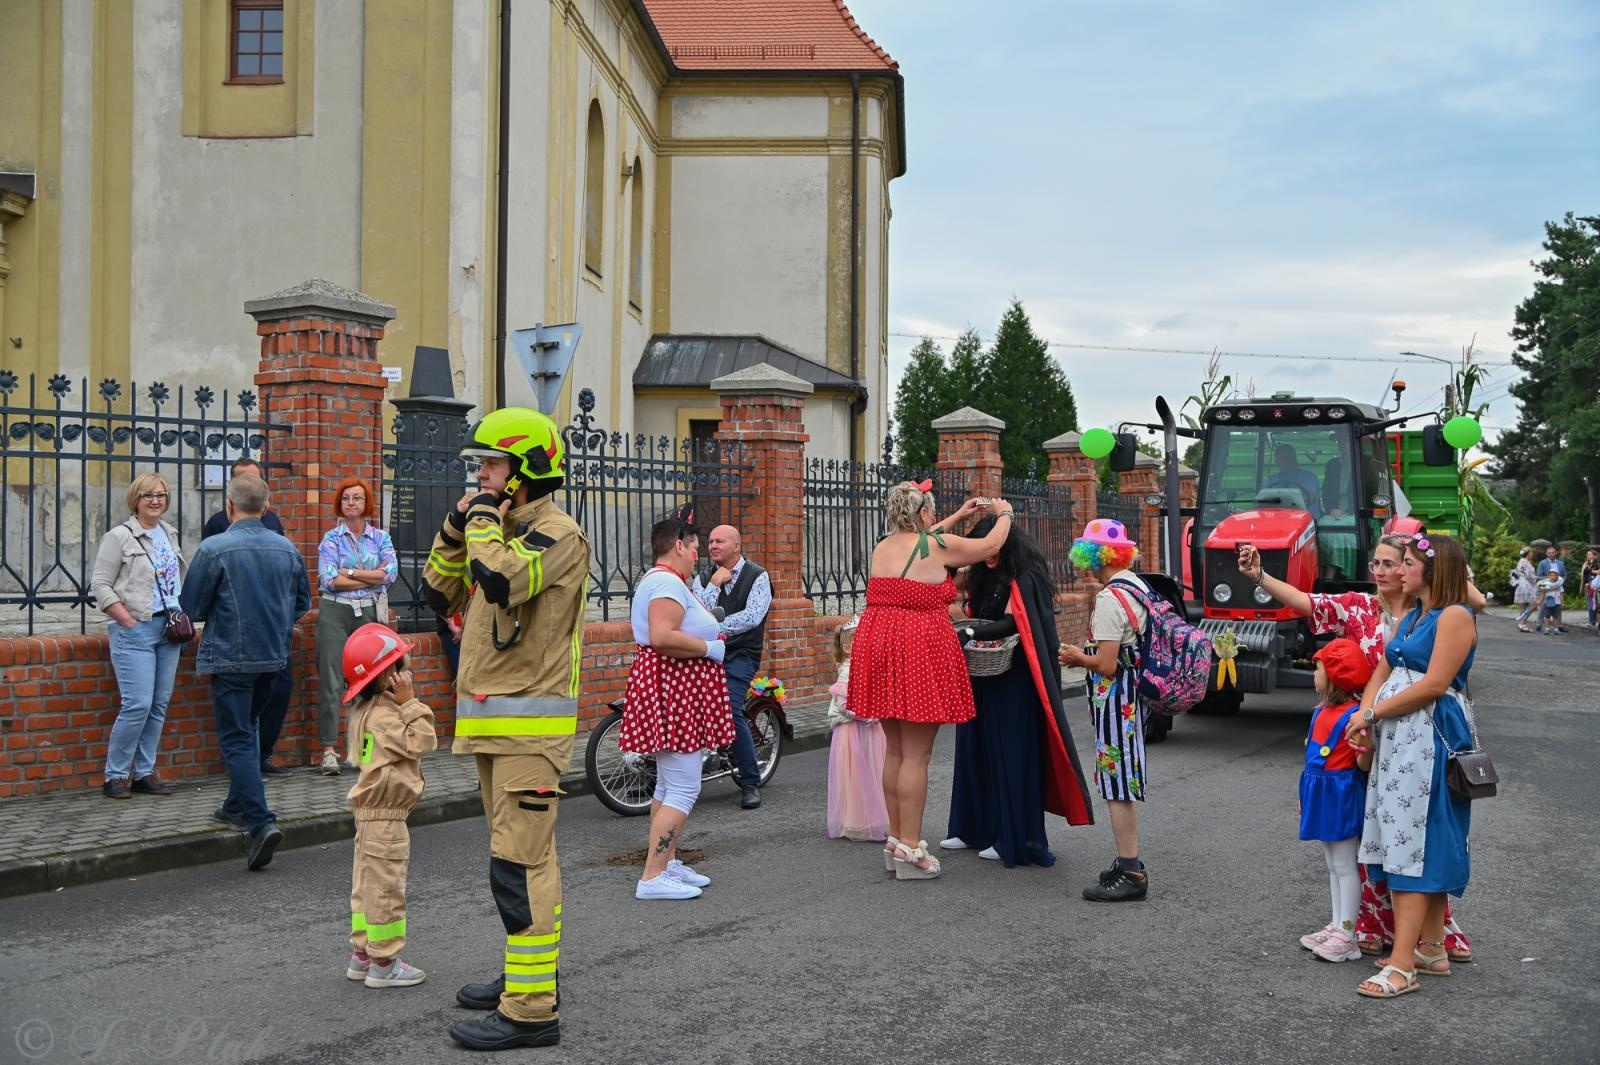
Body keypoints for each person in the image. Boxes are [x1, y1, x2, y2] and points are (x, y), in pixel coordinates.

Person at [422, 406, 590, 1053]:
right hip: (494, 727)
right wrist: (455, 524)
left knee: (518, 868)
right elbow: (440, 593)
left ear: (523, 470)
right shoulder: (504, 525)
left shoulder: (558, 534)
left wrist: (484, 522)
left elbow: (499, 580)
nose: (481, 475)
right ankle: (527, 975)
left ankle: (529, 1010)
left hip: (530, 731)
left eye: (490, 464)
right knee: (520, 860)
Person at [1238, 535, 1478, 961]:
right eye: (1379, 564)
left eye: (1396, 562)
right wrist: (1260, 575)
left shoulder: (1434, 611)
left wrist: (1434, 559)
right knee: (1372, 833)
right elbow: (1306, 602)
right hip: (1368, 732)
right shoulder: (1362, 607)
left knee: (1418, 832)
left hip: (1414, 729)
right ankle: (1367, 922)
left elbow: (1468, 600)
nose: (1385, 571)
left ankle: (1426, 937)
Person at [847, 482, 1014, 880]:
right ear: (924, 514)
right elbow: (990, 547)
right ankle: (912, 849)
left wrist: (958, 515)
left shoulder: (884, 547)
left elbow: (928, 536)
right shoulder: (936, 547)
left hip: (878, 640)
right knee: (917, 756)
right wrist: (1004, 513)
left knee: (895, 752)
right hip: (917, 645)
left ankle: (895, 841)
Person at [1345, 534, 1479, 999]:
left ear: (1433, 569)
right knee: (1410, 835)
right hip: (1401, 740)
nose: (1398, 571)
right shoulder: (1415, 616)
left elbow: (1435, 685)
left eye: (1408, 563)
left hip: (1429, 740)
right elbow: (1381, 671)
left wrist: (1372, 715)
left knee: (1414, 843)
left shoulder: (1455, 616)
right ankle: (1430, 946)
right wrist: (1365, 719)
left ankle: (1403, 966)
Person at [942, 518, 1095, 867]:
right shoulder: (982, 572)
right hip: (984, 672)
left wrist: (969, 635)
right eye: (985, 548)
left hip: (1018, 678)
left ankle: (1014, 836)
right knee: (973, 748)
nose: (990, 554)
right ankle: (971, 827)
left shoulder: (1026, 576)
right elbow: (948, 574)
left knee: (1010, 753)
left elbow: (1016, 622)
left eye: (994, 546)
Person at [180, 473, 311, 871]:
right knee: (249, 729)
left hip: (232, 658)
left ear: (229, 506)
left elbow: (193, 607)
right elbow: (303, 602)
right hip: (273, 655)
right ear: (267, 507)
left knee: (237, 738)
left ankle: (260, 822)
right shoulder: (286, 548)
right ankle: (237, 805)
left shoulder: (214, 548)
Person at [619, 516, 731, 900]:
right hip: (675, 688)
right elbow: (664, 636)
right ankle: (652, 877)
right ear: (678, 545)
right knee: (684, 785)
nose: (699, 555)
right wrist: (709, 648)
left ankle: (664, 862)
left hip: (672, 687)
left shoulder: (663, 580)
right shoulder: (666, 581)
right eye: (696, 548)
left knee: (668, 785)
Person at [1059, 518, 1155, 902]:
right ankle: (1128, 862)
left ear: (1096, 555)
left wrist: (1076, 656)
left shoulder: (1109, 599)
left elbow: (1108, 664)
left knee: (1117, 785)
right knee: (1121, 780)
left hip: (1118, 701)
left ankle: (1130, 868)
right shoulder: (1137, 585)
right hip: (1133, 697)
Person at [340, 623, 437, 990]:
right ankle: (385, 962)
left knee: (367, 885)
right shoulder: (387, 715)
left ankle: (362, 955)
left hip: (369, 818)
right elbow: (424, 742)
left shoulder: (368, 711)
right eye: (402, 668)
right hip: (387, 818)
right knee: (386, 889)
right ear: (389, 676)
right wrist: (411, 702)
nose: (408, 674)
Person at [90, 473, 188, 799]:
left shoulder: (168, 533)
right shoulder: (119, 537)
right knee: (137, 704)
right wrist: (127, 620)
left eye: (161, 494)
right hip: (135, 630)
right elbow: (100, 585)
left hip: (167, 629)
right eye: (148, 495)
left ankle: (144, 772)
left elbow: (173, 582)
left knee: (159, 704)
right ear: (136, 499)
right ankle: (115, 775)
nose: (155, 500)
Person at [202, 457, 292, 778]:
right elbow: (203, 593)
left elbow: (296, 591)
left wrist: (283, 618)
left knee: (273, 697)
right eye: (243, 482)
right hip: (237, 634)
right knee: (240, 721)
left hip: (273, 633)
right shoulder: (217, 528)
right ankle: (247, 781)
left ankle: (258, 757)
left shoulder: (276, 529)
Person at [1295, 638, 1375, 963]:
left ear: (1334, 677)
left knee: (1344, 864)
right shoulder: (1322, 712)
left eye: (1318, 669)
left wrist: (1365, 748)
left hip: (1340, 795)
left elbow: (1362, 765)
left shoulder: (1354, 716)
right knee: (1333, 865)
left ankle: (1348, 934)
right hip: (1322, 793)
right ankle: (1338, 925)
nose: (1314, 675)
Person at [315, 477, 398, 775]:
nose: (352, 503)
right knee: (332, 681)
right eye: (347, 498)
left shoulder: (381, 538)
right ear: (340, 502)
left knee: (371, 683)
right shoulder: (331, 539)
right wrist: (368, 575)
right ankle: (328, 750)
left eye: (358, 499)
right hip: (335, 613)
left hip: (369, 614)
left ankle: (364, 750)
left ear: (367, 504)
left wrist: (348, 571)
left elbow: (390, 574)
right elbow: (329, 580)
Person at [692, 524, 770, 810]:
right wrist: (714, 585)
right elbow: (695, 611)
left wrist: (717, 626)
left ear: (737, 546)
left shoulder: (758, 576)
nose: (712, 546)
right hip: (707, 651)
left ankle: (750, 781)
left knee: (729, 706)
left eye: (719, 541)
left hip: (741, 653)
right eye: (710, 541)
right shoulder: (703, 577)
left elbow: (753, 616)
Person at [825, 616, 889, 843]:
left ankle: (874, 817)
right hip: (852, 732)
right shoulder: (847, 670)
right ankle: (855, 821)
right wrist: (865, 715)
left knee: (874, 773)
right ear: (848, 647)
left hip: (871, 731)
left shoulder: (868, 667)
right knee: (854, 775)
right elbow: (844, 704)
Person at [1263, 444, 1322, 518]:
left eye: (1292, 457)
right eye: (1285, 458)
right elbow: (1262, 501)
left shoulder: (1309, 477)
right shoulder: (1270, 480)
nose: (1289, 461)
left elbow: (1310, 497)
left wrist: (1279, 502)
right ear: (1276, 461)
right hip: (1277, 521)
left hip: (1307, 523)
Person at [1536, 545, 1567, 632]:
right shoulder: (1542, 563)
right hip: (1546, 588)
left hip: (1558, 588)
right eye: (1549, 553)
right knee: (1543, 606)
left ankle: (1559, 625)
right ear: (1546, 553)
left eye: (1553, 553)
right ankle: (1539, 624)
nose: (1551, 554)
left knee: (1557, 606)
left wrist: (1560, 582)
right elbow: (1539, 576)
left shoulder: (1561, 563)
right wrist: (1550, 581)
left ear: (1556, 553)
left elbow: (1565, 575)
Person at [1512, 547, 1539, 631]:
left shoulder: (1521, 561)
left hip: (1521, 583)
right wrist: (1536, 579)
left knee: (1523, 605)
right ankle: (1522, 622)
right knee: (1533, 603)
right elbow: (1529, 575)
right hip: (1526, 584)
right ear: (1528, 554)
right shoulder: (1526, 562)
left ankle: (1522, 623)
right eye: (1531, 553)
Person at [1535, 570, 1564, 635]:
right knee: (1547, 616)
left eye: (1554, 575)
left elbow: (1561, 594)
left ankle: (1556, 629)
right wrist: (1539, 601)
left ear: (1557, 576)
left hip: (1557, 603)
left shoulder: (1559, 585)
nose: (1552, 577)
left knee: (1555, 617)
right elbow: (1542, 593)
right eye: (1551, 575)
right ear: (1548, 576)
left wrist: (1562, 602)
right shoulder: (1545, 585)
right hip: (1548, 603)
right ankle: (1547, 628)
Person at [1581, 549, 1599, 629]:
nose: (1588, 556)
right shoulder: (1586, 563)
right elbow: (1585, 574)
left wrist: (1593, 571)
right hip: (1588, 585)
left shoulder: (1597, 563)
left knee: (1595, 604)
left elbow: (1598, 573)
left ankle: (1595, 621)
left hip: (1595, 586)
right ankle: (1591, 621)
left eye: (1590, 554)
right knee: (1590, 603)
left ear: (1595, 556)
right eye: (1587, 554)